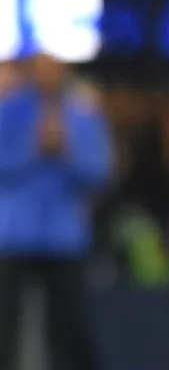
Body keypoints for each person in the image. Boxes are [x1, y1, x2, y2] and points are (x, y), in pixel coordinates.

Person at [0, 54, 113, 370]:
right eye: (40, 69)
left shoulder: (84, 114)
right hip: (13, 234)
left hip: (65, 236)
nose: (47, 75)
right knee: (5, 328)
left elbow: (99, 174)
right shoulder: (8, 110)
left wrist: (65, 150)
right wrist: (33, 147)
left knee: (66, 329)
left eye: (54, 68)